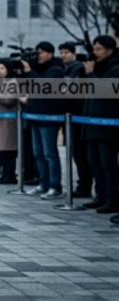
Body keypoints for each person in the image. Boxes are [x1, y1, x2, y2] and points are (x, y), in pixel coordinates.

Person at [21, 41, 67, 199]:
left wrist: (29, 70)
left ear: (50, 53)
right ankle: (43, 184)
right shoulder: (38, 69)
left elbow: (43, 87)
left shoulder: (56, 69)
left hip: (49, 117)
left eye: (40, 52)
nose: (38, 56)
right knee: (38, 154)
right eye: (37, 52)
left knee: (50, 154)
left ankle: (55, 186)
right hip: (35, 117)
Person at [80, 36, 119, 214]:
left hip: (107, 126)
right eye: (94, 49)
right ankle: (101, 196)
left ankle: (113, 199)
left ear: (110, 50)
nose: (95, 53)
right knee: (94, 163)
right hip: (91, 123)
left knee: (108, 165)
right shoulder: (97, 68)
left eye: (99, 49)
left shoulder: (115, 68)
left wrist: (91, 74)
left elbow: (105, 92)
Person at [60, 42, 92, 198]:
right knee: (76, 153)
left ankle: (85, 185)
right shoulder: (66, 69)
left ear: (73, 53)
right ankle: (82, 184)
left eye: (66, 52)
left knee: (82, 153)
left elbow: (77, 92)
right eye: (61, 52)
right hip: (70, 115)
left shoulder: (79, 69)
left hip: (80, 115)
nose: (63, 55)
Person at [0, 59, 20, 185]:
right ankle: (4, 174)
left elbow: (9, 100)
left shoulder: (13, 82)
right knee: (0, 149)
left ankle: (10, 174)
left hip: (9, 120)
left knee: (9, 150)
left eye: (3, 68)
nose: (0, 71)